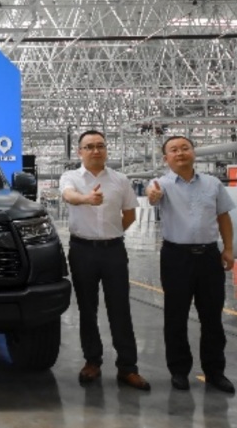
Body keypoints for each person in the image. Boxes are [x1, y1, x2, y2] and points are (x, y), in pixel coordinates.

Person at [59, 130, 151, 391]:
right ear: (80, 152)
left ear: (106, 150)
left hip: (113, 251)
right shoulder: (71, 177)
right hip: (82, 250)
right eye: (89, 146)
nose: (96, 150)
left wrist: (113, 233)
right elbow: (68, 196)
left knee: (120, 308)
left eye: (100, 146)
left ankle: (128, 368)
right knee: (87, 309)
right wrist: (86, 199)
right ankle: (92, 362)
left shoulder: (120, 180)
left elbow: (129, 214)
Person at [146, 135, 236, 394]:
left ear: (193, 152)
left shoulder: (213, 184)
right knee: (175, 316)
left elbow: (223, 217)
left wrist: (228, 249)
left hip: (209, 257)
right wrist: (152, 195)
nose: (180, 153)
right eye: (174, 150)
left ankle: (215, 371)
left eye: (185, 148)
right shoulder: (160, 184)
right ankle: (179, 371)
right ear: (166, 158)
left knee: (212, 317)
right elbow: (152, 197)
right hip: (176, 257)